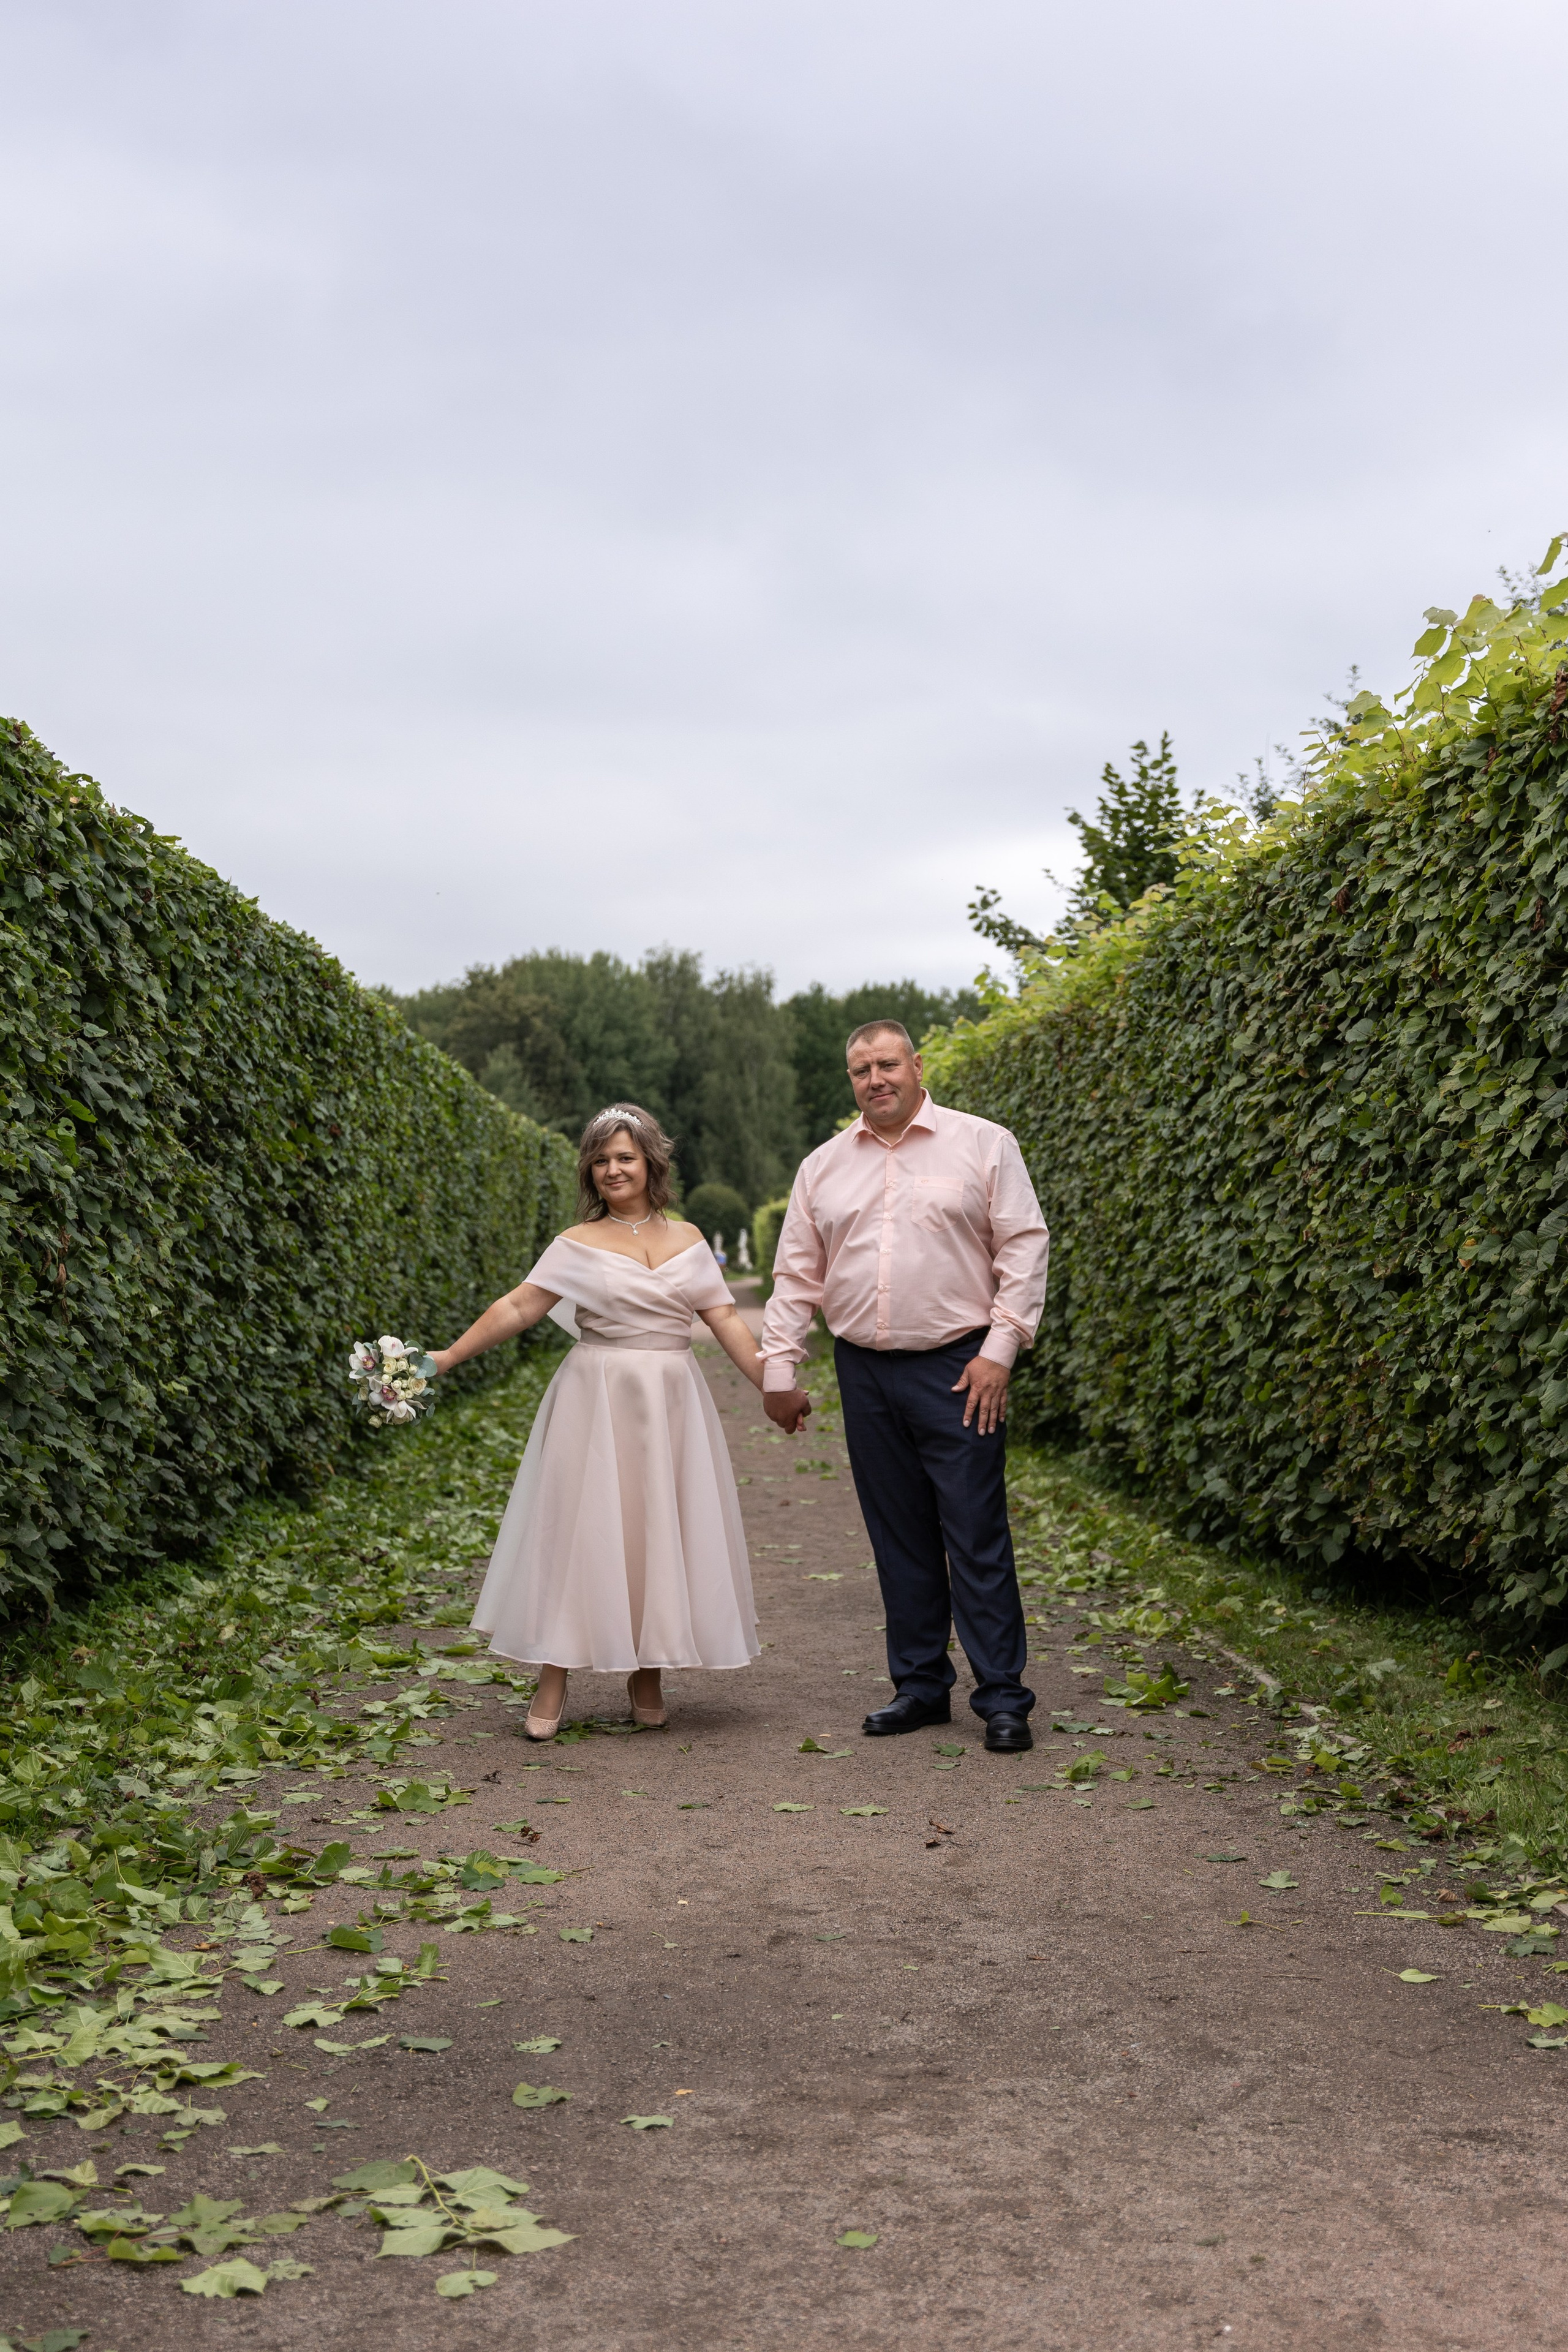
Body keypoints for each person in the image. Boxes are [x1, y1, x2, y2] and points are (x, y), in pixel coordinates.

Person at [759, 1023, 1049, 1752]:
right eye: (859, 1069)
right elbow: (797, 1276)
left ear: (916, 1066)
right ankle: (919, 1686)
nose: (874, 1079)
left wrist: (1001, 1350)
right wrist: (778, 1370)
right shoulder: (822, 1167)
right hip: (863, 1369)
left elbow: (1023, 1245)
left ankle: (1002, 1696)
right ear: (850, 1079)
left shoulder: (983, 1143)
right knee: (898, 1536)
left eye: (887, 1064)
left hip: (960, 1367)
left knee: (974, 1529)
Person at [429, 1105, 763, 1739]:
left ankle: (648, 1670)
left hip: (670, 1399)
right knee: (585, 1529)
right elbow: (521, 1305)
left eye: (625, 1158)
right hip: (595, 1396)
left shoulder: (690, 1240)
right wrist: (446, 1358)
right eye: (601, 1159)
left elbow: (726, 1324)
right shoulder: (575, 1244)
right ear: (590, 1170)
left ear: (651, 1164)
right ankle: (553, 1674)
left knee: (655, 1526)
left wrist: (776, 1389)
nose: (613, 1169)